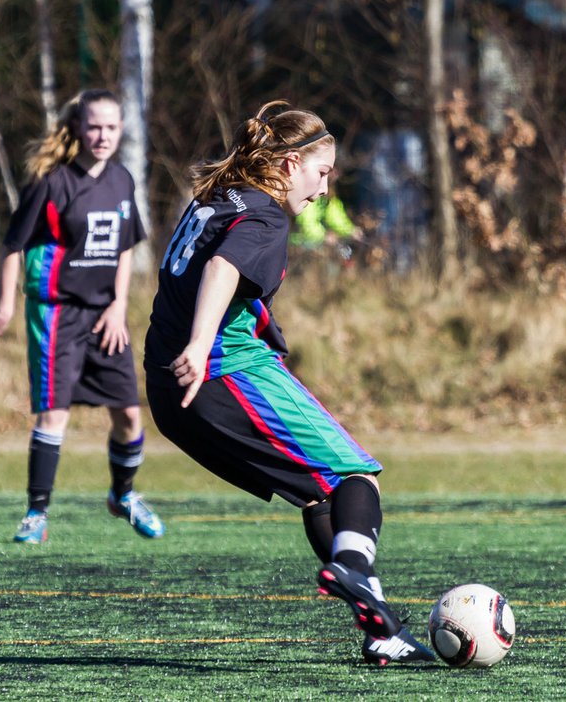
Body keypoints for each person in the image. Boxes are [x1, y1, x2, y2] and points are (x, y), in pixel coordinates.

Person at [144, 100, 433, 665]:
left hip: (168, 391)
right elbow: (222, 269)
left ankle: (382, 632)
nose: (324, 190)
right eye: (320, 173)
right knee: (355, 477)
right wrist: (203, 345)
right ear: (286, 165)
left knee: (316, 492)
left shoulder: (215, 198)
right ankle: (351, 567)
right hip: (222, 376)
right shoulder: (266, 214)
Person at [0, 88, 164, 545]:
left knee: (128, 416)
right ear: (78, 129)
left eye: (111, 127)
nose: (102, 135)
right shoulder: (51, 182)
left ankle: (123, 496)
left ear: (121, 130)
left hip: (106, 317)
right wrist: (5, 306)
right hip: (56, 315)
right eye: (94, 126)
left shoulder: (122, 180)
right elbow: (14, 246)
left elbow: (124, 248)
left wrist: (119, 306)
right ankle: (36, 513)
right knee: (53, 417)